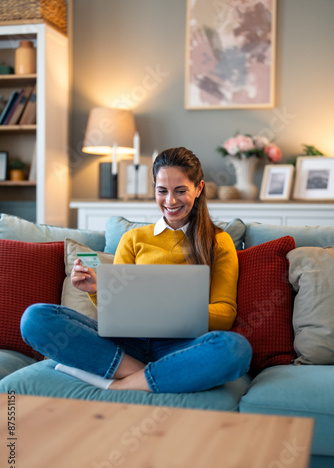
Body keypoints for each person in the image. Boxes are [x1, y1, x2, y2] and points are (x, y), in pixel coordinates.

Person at [21, 147, 252, 393]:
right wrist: (98, 290)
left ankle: (120, 383)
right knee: (35, 318)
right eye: (162, 191)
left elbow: (225, 313)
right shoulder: (133, 239)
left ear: (199, 188)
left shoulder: (219, 241)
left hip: (181, 345)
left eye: (181, 191)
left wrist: (167, 311)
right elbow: (117, 311)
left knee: (235, 349)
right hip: (128, 342)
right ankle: (155, 374)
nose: (170, 201)